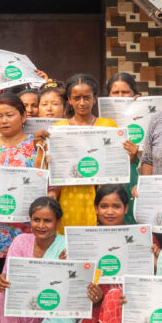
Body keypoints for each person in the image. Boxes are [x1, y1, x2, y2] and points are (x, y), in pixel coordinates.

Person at [75, 185, 148, 323]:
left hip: (132, 309)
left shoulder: (141, 237)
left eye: (116, 206)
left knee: (117, 297)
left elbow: (154, 282)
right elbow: (75, 286)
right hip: (99, 311)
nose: (109, 211)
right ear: (96, 209)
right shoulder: (84, 241)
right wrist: (94, 296)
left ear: (126, 208)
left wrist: (156, 258)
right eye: (104, 206)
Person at [0, 93, 45, 259]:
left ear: (23, 117)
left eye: (9, 115)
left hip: (26, 231)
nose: (4, 121)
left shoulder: (36, 146)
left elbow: (48, 186)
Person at [47, 75, 118, 232]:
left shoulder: (108, 126)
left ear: (95, 98)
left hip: (102, 196)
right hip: (69, 197)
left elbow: (117, 163)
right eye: (76, 98)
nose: (82, 103)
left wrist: (131, 155)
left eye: (87, 97)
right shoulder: (59, 129)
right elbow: (53, 167)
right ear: (69, 100)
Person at [104, 72, 142, 224]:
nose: (120, 96)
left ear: (135, 94)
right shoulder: (103, 121)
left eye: (125, 92)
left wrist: (142, 108)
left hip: (135, 176)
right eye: (115, 92)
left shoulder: (144, 118)